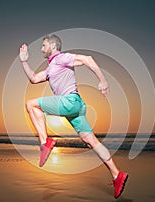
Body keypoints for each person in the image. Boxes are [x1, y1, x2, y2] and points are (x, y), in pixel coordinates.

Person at [19, 34, 128, 199]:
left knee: (30, 104)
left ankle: (45, 142)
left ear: (53, 46)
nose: (41, 49)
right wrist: (24, 61)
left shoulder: (62, 58)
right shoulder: (50, 68)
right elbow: (34, 79)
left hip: (70, 102)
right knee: (92, 141)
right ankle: (116, 175)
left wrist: (103, 80)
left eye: (43, 45)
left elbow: (88, 59)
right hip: (76, 108)